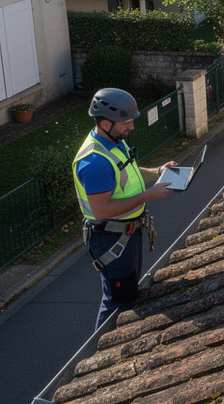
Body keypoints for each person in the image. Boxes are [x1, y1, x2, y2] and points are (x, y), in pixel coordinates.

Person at [72, 88, 176, 329]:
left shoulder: (113, 141)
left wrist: (158, 171)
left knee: (128, 292)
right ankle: (101, 348)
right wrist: (148, 195)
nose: (131, 126)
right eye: (126, 122)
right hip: (112, 239)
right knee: (118, 302)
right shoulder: (94, 162)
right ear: (105, 123)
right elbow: (101, 210)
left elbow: (128, 173)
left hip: (126, 233)